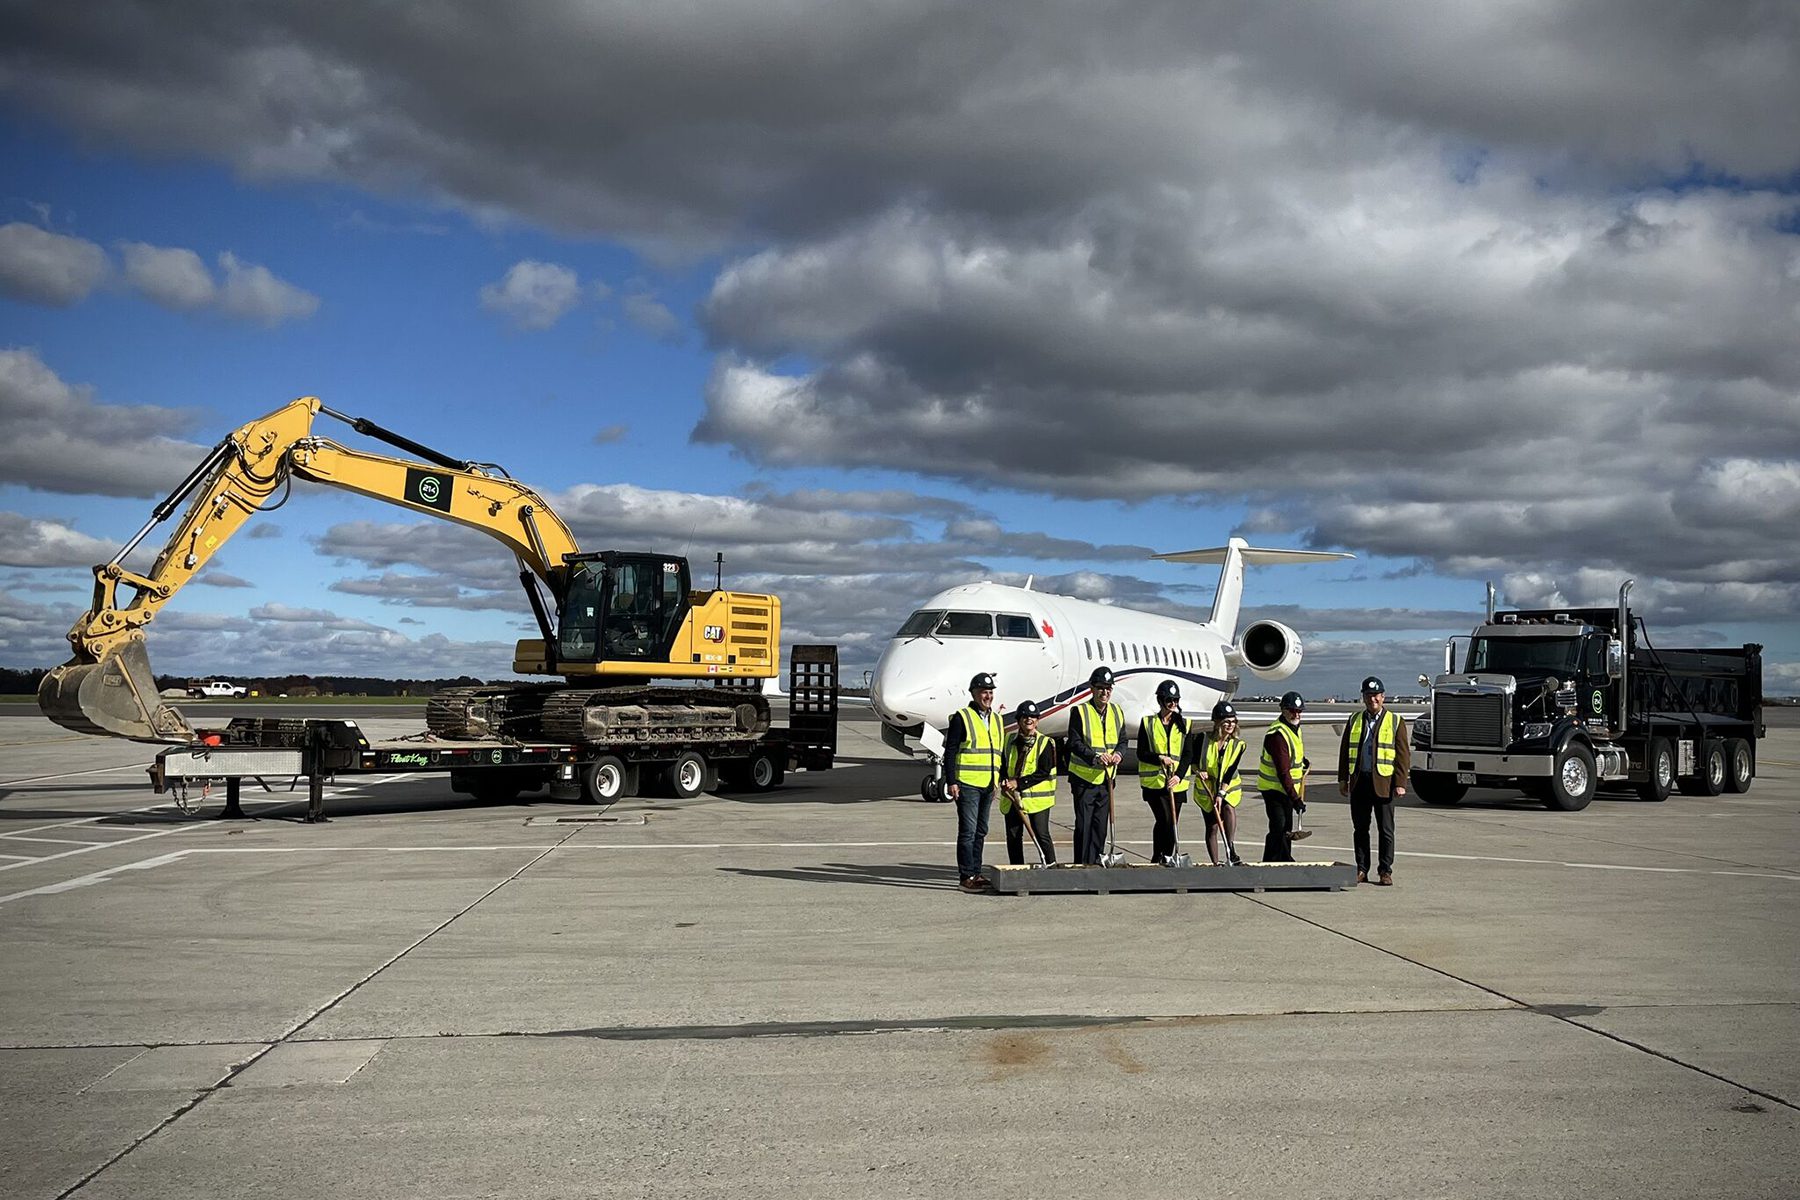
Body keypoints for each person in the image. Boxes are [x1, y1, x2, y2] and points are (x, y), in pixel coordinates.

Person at [1337, 675, 1411, 886]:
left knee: (1386, 830)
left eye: (1376, 695)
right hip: (1360, 781)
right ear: (1364, 697)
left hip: (1384, 784)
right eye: (1369, 696)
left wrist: (1400, 783)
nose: (1372, 700)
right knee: (1360, 829)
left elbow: (1403, 754)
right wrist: (1343, 779)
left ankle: (1385, 871)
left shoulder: (1395, 721)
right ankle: (1362, 869)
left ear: (1383, 697)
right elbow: (1345, 752)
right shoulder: (1354, 719)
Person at [943, 672, 1006, 892]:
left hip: (989, 784)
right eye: (983, 692)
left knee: (981, 830)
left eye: (990, 692)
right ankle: (966, 876)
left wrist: (1002, 778)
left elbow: (1000, 752)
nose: (987, 696)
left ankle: (976, 872)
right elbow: (950, 751)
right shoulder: (963, 717)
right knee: (968, 831)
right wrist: (951, 781)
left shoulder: (997, 719)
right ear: (974, 694)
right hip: (967, 784)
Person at [1066, 666, 1127, 865]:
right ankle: (1083, 865)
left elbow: (1123, 740)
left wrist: (1118, 754)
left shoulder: (1117, 712)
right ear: (1092, 689)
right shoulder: (1080, 711)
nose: (1105, 692)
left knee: (1100, 826)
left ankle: (1097, 862)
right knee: (1084, 826)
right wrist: (1095, 757)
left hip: (1107, 779)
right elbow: (1074, 743)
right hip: (1084, 780)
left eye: (1108, 688)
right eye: (1101, 688)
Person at [1136, 680, 1194, 864]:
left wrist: (1178, 776)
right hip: (1155, 784)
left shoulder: (1185, 724)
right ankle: (1159, 856)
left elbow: (1188, 754)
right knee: (1166, 820)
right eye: (1169, 700)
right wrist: (1159, 758)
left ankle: (1165, 856)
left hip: (1177, 784)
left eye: (1175, 700)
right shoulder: (1148, 723)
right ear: (1161, 700)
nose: (1173, 704)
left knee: (1171, 823)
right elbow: (1141, 753)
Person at [999, 699, 1058, 865]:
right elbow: (1002, 764)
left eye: (1033, 717)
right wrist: (1004, 780)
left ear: (1037, 721)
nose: (1029, 720)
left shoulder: (1045, 743)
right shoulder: (1009, 741)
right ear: (1018, 720)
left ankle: (1051, 866)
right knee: (1013, 836)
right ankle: (1017, 869)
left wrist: (1018, 783)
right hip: (1012, 798)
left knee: (1041, 834)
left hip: (1037, 801)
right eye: (1025, 717)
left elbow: (1043, 772)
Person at [1257, 691, 1309, 862]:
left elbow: (1292, 755)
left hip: (1286, 789)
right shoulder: (1277, 735)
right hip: (1273, 789)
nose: (1296, 714)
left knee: (1286, 827)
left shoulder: (1294, 728)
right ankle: (1271, 862)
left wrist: (1302, 762)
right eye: (1292, 710)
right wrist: (1296, 799)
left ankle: (1284, 859)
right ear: (1283, 710)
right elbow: (1283, 771)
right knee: (1278, 826)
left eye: (1299, 711)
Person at [1195, 700, 1246, 866]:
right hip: (1207, 789)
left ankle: (1230, 848)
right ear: (1217, 723)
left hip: (1228, 787)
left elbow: (1230, 770)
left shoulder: (1238, 745)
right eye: (1227, 722)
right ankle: (1216, 864)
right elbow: (1192, 761)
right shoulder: (1202, 740)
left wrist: (1221, 794)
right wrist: (1197, 770)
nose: (1231, 725)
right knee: (1212, 827)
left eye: (1233, 721)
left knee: (1228, 808)